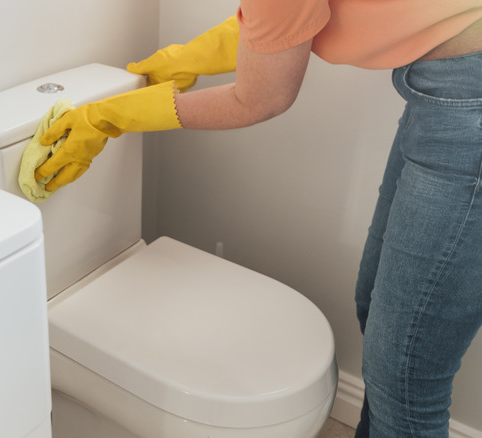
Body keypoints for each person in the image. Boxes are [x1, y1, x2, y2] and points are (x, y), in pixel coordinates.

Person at [34, 1, 482, 436]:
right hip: (441, 94)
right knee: (379, 316)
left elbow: (260, 97)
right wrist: (190, 57)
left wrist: (114, 117)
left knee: (404, 373)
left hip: (467, 101)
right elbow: (293, 20)